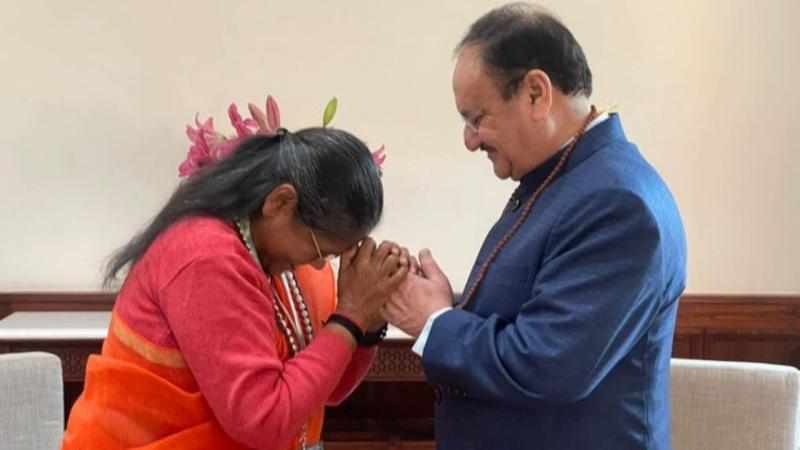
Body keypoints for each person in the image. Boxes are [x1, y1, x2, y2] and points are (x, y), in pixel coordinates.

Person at [383, 3, 687, 449]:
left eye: (476, 118)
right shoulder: (565, 178)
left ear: (535, 94)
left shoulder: (617, 202)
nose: (469, 140)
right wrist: (448, 304)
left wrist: (434, 320)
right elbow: (532, 315)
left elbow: (547, 366)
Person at [62, 124, 408, 449]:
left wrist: (369, 321)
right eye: (321, 250)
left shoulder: (285, 261)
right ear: (280, 203)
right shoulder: (206, 257)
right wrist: (350, 313)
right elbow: (262, 421)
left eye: (333, 256)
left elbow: (320, 392)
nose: (320, 265)